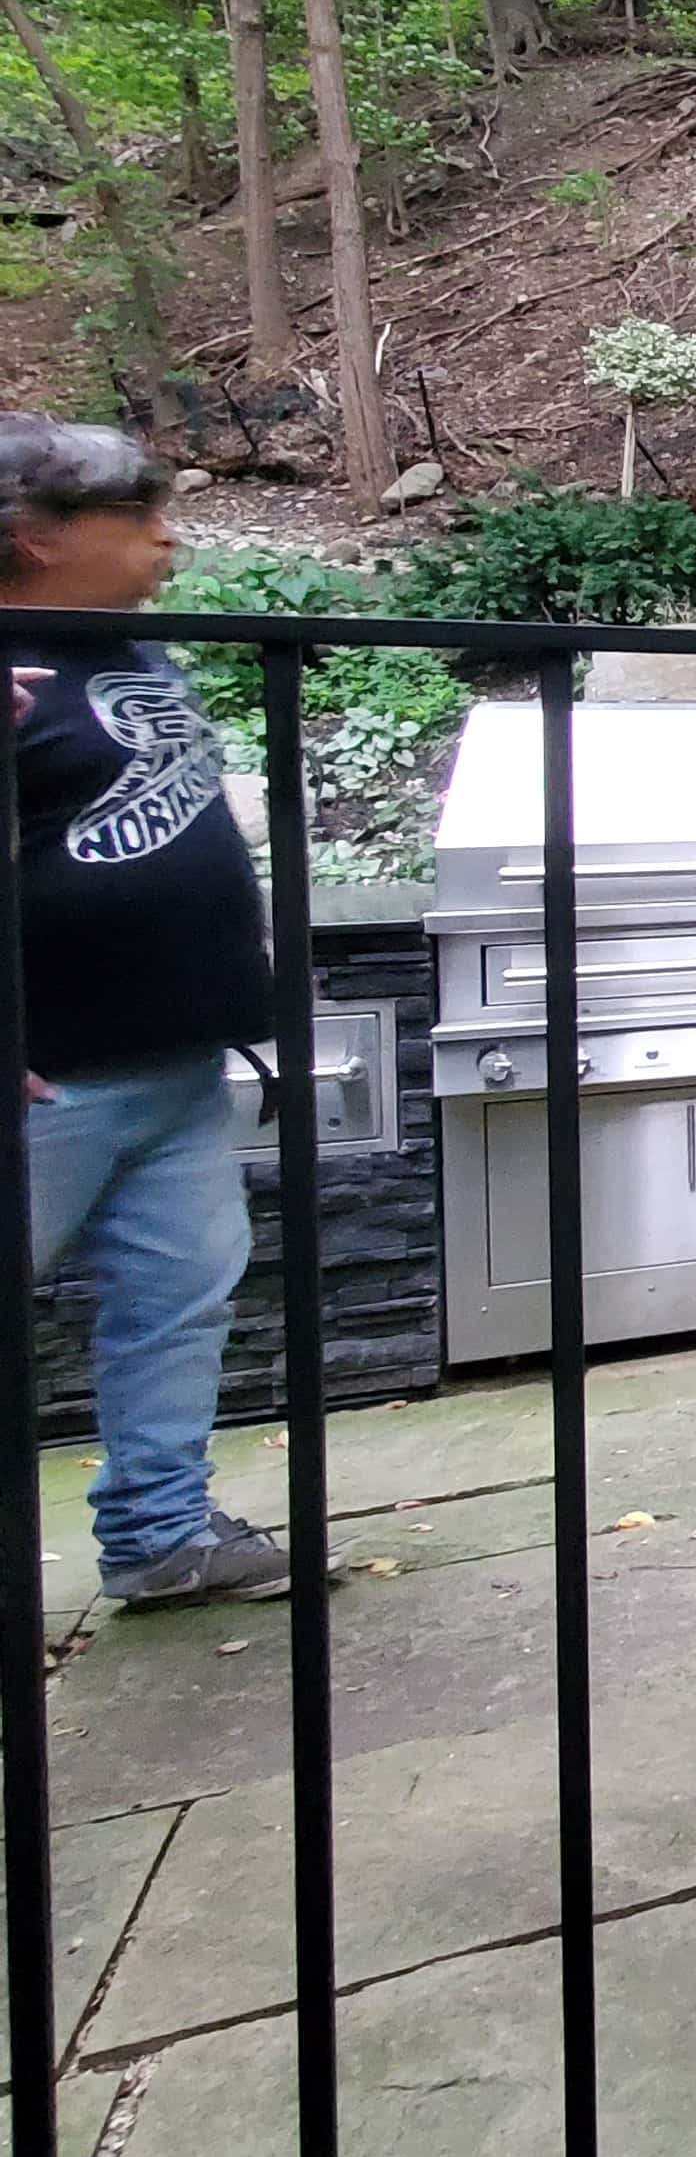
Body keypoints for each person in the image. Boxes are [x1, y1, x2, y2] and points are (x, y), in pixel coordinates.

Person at [2, 416, 291, 1605]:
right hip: (49, 1078)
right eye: (140, 518)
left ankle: (160, 1535)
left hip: (174, 1061)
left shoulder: (124, 645)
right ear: (36, 535)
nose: (169, 539)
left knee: (177, 1308)